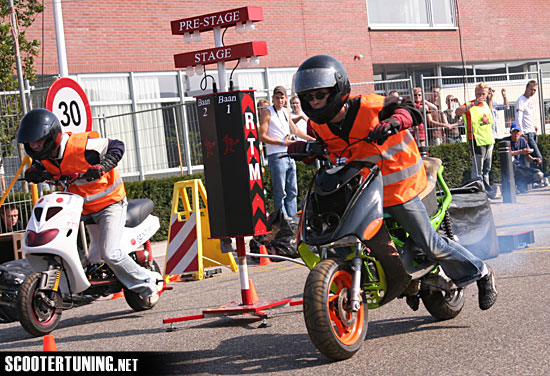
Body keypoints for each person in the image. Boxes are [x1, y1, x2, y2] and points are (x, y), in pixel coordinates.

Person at [293, 54, 497, 311]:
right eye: (309, 97)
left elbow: (410, 109)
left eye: (320, 94)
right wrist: (307, 150)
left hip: (401, 189)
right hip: (361, 192)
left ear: (337, 89)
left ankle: (482, 272)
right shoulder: (317, 125)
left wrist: (394, 121)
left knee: (430, 244)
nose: (314, 101)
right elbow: (325, 148)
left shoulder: (371, 107)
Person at [16, 108, 161, 307]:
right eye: (31, 143)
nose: (34, 146)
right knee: (88, 255)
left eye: (38, 141)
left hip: (110, 204)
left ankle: (148, 283)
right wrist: (35, 171)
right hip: (81, 208)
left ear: (51, 137)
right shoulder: (45, 156)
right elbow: (42, 166)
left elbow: (117, 145)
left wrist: (103, 166)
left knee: (111, 253)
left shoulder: (82, 146)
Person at [259, 86, 314, 218]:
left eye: (282, 98)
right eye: (277, 98)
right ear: (273, 98)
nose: (279, 100)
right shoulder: (267, 112)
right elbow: (261, 136)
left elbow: (295, 130)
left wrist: (313, 139)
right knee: (280, 192)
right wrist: (282, 143)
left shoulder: (285, 111)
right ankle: (283, 222)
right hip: (277, 156)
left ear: (285, 99)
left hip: (289, 155)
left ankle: (293, 220)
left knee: (292, 191)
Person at [456, 82, 497, 199]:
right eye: (479, 94)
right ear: (475, 93)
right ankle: (478, 193)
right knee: (478, 170)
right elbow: (458, 111)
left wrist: (490, 100)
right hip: (476, 140)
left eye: (483, 94)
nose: (481, 96)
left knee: (487, 168)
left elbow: (487, 114)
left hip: (489, 139)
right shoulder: (470, 104)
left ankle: (486, 191)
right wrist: (473, 103)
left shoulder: (485, 104)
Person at [503, 122, 544, 193]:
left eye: (518, 132)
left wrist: (534, 160)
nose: (516, 134)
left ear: (521, 132)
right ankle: (514, 187)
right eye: (514, 132)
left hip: (521, 168)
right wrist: (520, 151)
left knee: (539, 174)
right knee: (512, 162)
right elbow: (507, 154)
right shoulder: (506, 141)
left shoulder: (522, 140)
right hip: (511, 169)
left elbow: (527, 156)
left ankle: (521, 185)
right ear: (510, 132)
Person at [516, 80, 544, 171]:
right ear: (527, 88)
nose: (533, 92)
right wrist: (520, 130)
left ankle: (535, 177)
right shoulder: (521, 100)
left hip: (532, 131)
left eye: (535, 90)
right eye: (531, 89)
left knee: (533, 158)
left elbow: (529, 115)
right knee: (538, 156)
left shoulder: (529, 100)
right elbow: (518, 116)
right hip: (527, 133)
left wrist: (534, 125)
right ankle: (540, 176)